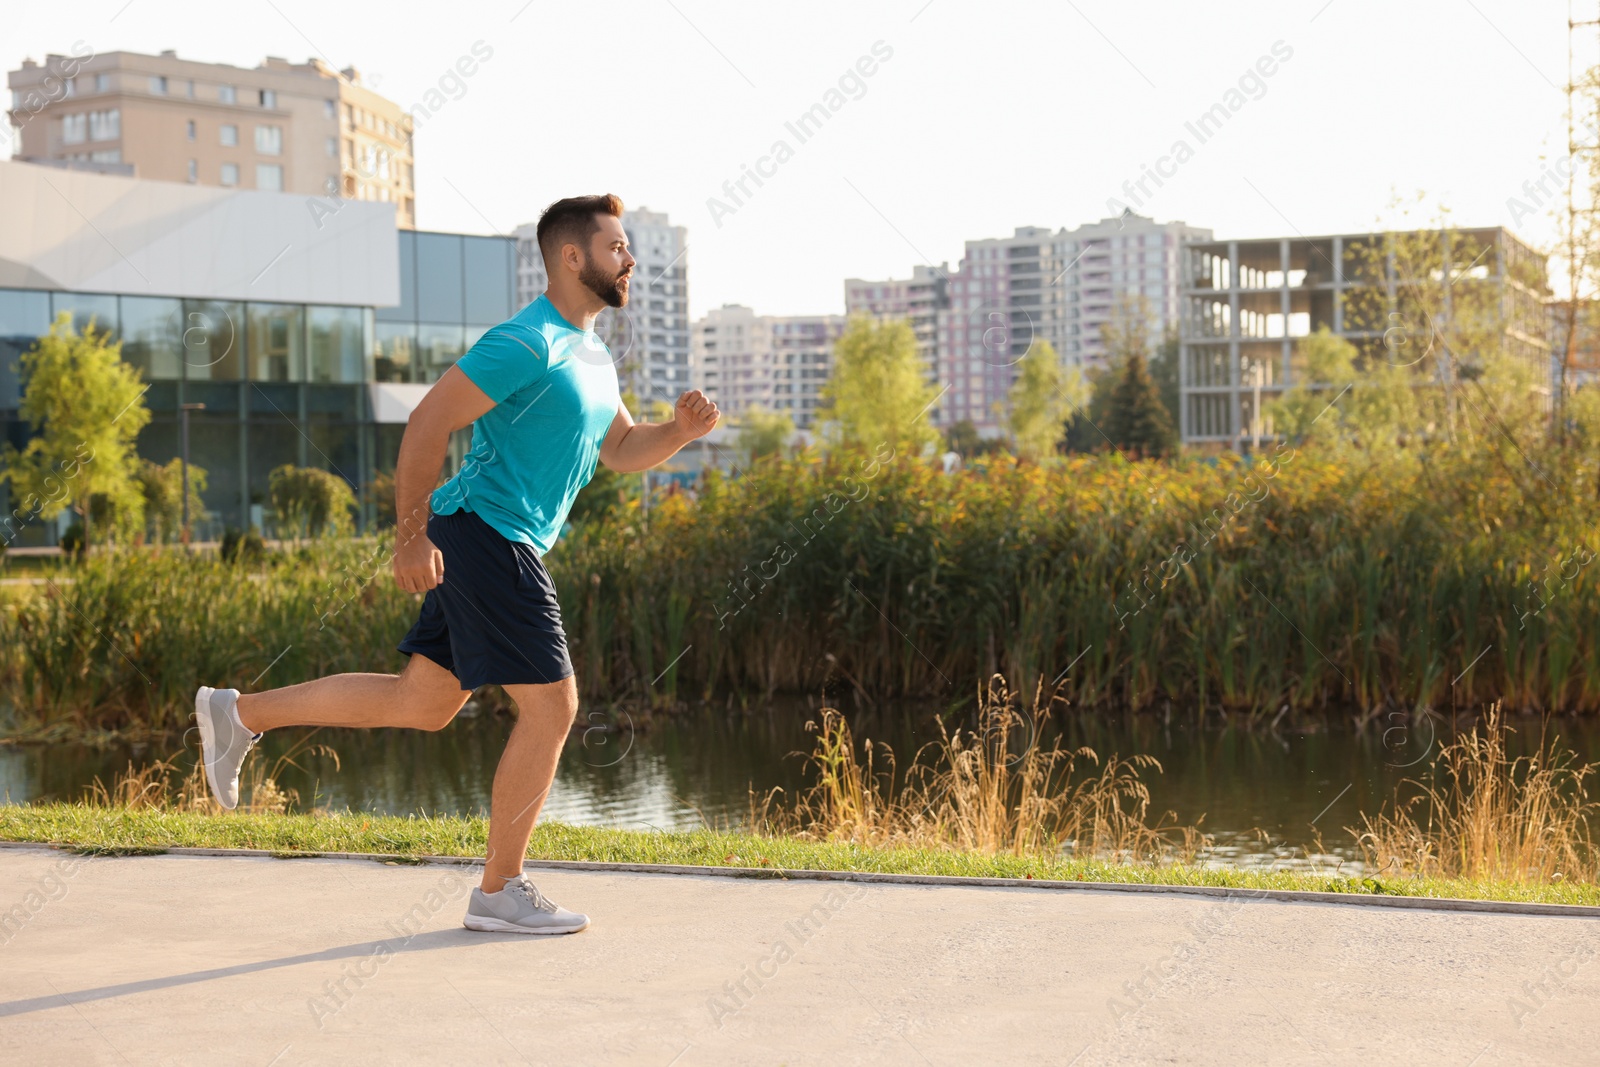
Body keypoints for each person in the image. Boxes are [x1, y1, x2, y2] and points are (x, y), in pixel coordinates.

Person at [193, 194, 718, 935]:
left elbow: (622, 450)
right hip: (482, 531)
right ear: (572, 257)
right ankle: (500, 890)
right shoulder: (527, 340)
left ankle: (237, 712)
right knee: (554, 706)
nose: (630, 258)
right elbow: (429, 419)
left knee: (424, 702)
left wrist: (680, 431)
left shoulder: (594, 355)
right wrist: (410, 536)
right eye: (617, 246)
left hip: (498, 536)